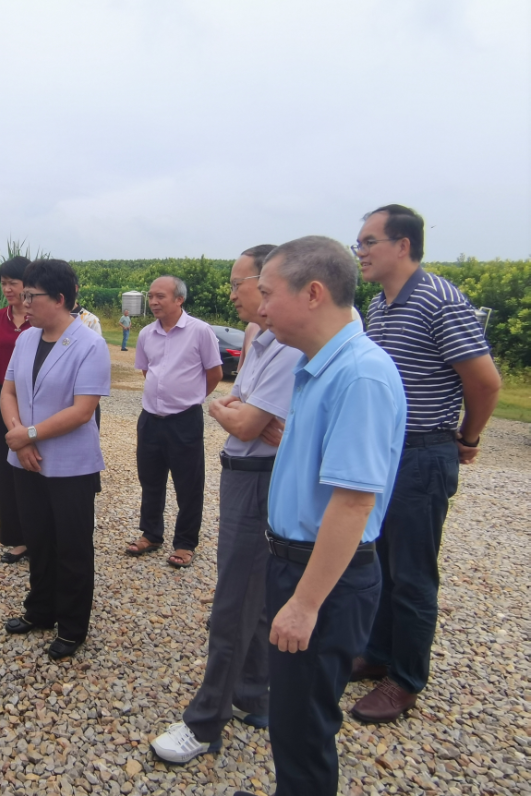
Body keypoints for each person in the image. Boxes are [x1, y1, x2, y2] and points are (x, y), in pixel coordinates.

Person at [253, 236, 406, 796]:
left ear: (313, 292)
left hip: (323, 578)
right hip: (298, 565)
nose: (260, 307)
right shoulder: (319, 364)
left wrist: (305, 603)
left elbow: (354, 502)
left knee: (304, 726)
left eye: (268, 293)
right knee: (291, 716)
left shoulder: (359, 375)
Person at [348, 205, 500, 723]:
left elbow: (485, 382)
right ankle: (377, 653)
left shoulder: (439, 300)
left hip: (422, 452)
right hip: (386, 451)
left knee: (412, 573)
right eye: (358, 243)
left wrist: (467, 437)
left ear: (403, 245)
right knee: (380, 560)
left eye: (368, 242)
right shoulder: (380, 305)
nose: (360, 252)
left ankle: (406, 678)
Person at [151, 244, 302, 764]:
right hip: (246, 472)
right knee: (253, 596)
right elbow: (242, 411)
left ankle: (205, 722)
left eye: (241, 283)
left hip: (259, 480)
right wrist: (237, 413)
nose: (233, 292)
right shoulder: (262, 337)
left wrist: (230, 412)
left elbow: (246, 419)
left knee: (235, 601)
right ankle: (253, 695)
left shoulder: (291, 347)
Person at [0, 260, 110, 660]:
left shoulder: (90, 344)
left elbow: (82, 410)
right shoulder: (27, 339)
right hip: (27, 460)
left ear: (60, 299)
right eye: (24, 295)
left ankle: (73, 626)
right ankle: (40, 610)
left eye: (32, 296)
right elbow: (8, 392)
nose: (24, 303)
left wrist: (29, 435)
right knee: (39, 540)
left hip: (69, 465)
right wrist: (19, 439)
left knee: (72, 546)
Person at [126, 276, 222, 567]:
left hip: (184, 420)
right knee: (150, 480)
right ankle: (151, 534)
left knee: (188, 484)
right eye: (150, 296)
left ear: (179, 299)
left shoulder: (200, 331)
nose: (153, 302)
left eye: (160, 296)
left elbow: (215, 373)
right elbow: (147, 371)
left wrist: (190, 397)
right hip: (150, 419)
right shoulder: (146, 334)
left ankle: (185, 543)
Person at [0, 256, 33, 564]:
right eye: (3, 284)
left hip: (33, 398)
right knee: (6, 465)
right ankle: (16, 536)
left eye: (12, 283)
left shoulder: (38, 319)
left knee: (33, 463)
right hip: (3, 396)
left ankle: (38, 533)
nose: (7, 289)